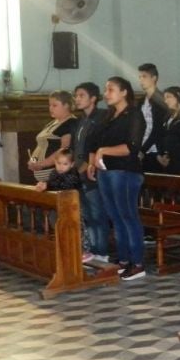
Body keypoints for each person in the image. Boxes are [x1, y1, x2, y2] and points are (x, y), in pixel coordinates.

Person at [87, 76, 147, 281]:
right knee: (115, 217)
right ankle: (123, 260)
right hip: (106, 171)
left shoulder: (134, 115)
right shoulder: (109, 115)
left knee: (128, 215)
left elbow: (131, 147)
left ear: (124, 92)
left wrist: (104, 151)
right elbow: (95, 142)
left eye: (111, 89)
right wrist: (92, 161)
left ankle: (137, 263)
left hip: (125, 172)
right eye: (106, 89)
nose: (106, 93)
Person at [72, 82, 109, 263]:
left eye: (81, 95)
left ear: (93, 98)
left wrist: (87, 164)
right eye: (76, 96)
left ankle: (102, 251)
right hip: (78, 171)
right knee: (87, 214)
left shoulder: (101, 117)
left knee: (97, 213)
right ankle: (93, 249)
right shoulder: (80, 120)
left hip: (92, 172)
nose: (77, 99)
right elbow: (76, 146)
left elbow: (98, 145)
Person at [27, 91, 78, 182]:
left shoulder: (71, 123)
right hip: (42, 175)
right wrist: (33, 161)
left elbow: (64, 150)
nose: (50, 108)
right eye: (50, 105)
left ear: (66, 105)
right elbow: (41, 147)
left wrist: (42, 164)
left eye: (54, 105)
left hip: (57, 174)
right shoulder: (52, 123)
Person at [137, 63, 166, 173]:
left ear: (154, 78)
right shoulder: (141, 101)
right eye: (139, 77)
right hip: (143, 145)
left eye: (144, 77)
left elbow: (157, 129)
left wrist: (142, 150)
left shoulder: (161, 100)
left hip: (155, 149)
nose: (141, 80)